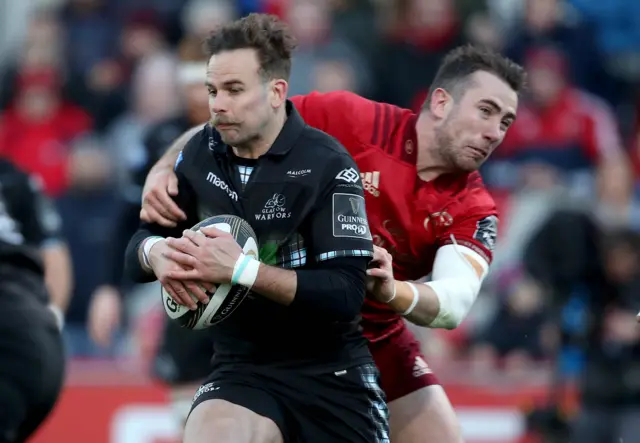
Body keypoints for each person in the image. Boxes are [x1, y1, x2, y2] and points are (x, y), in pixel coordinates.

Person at [139, 43, 525, 442]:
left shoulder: (474, 208)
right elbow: (239, 122)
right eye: (486, 111)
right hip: (271, 327)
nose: (495, 132)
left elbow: (452, 303)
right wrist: (167, 165)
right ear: (442, 102)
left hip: (369, 339)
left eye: (506, 121)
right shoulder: (350, 119)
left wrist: (394, 292)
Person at [124, 13, 389, 443]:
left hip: (331, 373)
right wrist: (158, 255)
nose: (216, 104)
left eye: (233, 90)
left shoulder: (327, 164)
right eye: (212, 90)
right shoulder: (196, 156)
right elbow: (136, 249)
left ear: (275, 92)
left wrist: (242, 271)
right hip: (242, 369)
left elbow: (346, 293)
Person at [88, 56, 213, 426]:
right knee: (180, 390)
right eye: (189, 83)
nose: (196, 93)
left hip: (235, 271)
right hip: (170, 273)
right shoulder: (159, 138)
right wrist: (109, 288)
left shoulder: (249, 140)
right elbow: (130, 217)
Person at [0, 159, 69, 442]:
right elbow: (55, 253)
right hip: (35, 336)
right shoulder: (19, 178)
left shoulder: (18, 180)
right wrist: (51, 319)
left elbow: (54, 253)